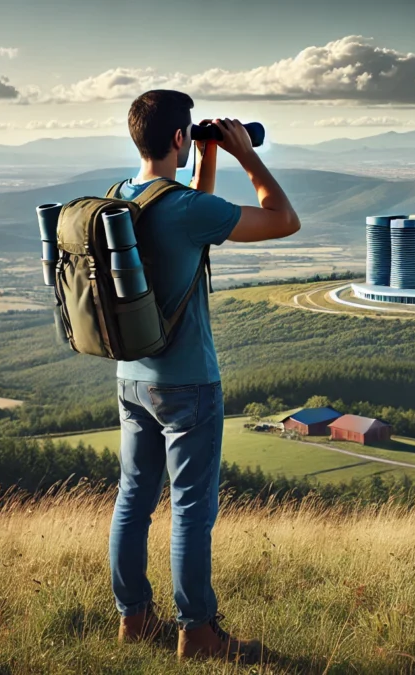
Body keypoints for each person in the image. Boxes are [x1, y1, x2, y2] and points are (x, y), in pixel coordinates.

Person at [108, 89, 299, 664]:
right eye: (189, 133)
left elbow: (191, 218)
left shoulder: (122, 196)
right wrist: (246, 155)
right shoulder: (186, 210)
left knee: (134, 499)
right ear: (176, 138)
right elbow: (283, 220)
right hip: (187, 382)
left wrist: (205, 156)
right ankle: (198, 632)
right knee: (192, 508)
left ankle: (134, 621)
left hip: (131, 378)